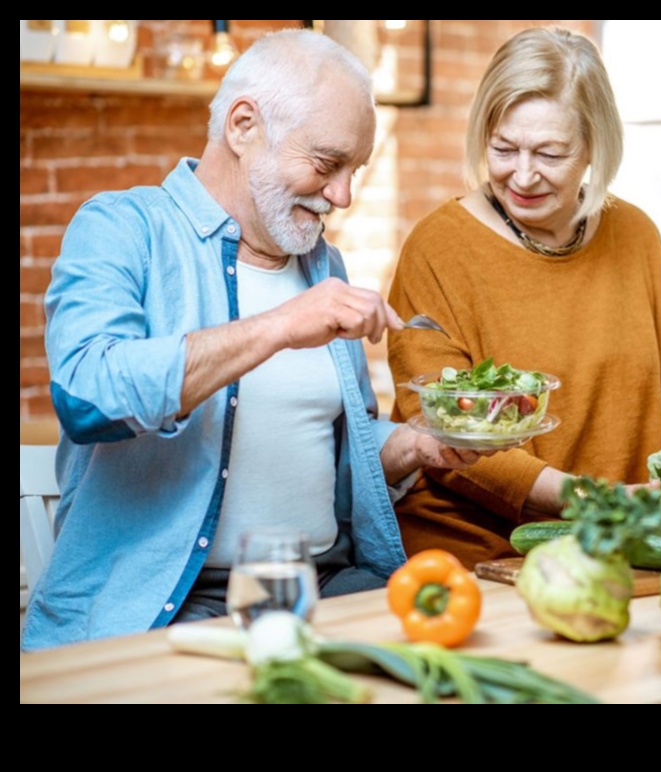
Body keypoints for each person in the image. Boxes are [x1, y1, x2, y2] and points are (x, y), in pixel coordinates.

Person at [21, 30, 482, 652]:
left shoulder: (324, 266)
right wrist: (278, 327)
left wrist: (415, 445)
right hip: (174, 607)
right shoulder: (122, 227)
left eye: (354, 171)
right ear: (242, 126)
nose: (342, 195)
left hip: (333, 587)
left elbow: (329, 448)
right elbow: (87, 395)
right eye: (326, 164)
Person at [386, 27, 661, 569]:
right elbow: (441, 432)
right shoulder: (439, 248)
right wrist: (594, 500)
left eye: (550, 152)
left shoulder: (637, 236)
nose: (522, 175)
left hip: (617, 547)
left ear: (594, 145)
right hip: (480, 557)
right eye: (503, 148)